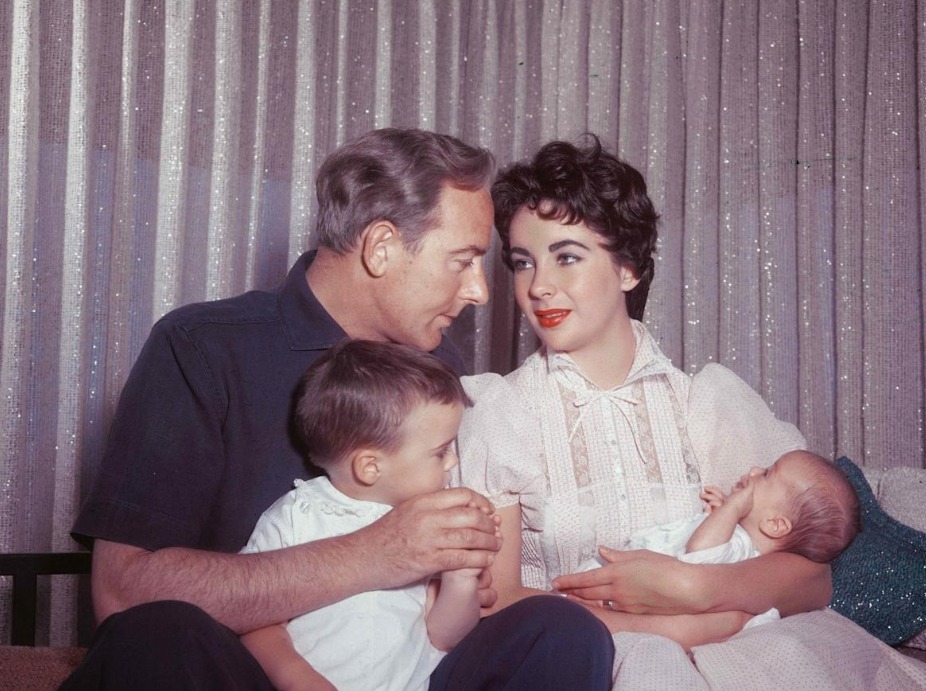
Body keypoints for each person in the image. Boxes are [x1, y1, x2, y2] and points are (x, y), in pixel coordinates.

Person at [61, 128, 614, 690]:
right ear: (380, 248)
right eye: (463, 261)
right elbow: (122, 592)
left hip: (402, 672)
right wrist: (376, 553)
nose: (481, 292)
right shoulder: (203, 346)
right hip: (247, 674)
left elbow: (447, 604)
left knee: (561, 630)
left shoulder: (438, 365)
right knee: (155, 635)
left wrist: (458, 577)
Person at [456, 135, 925, 687]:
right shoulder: (501, 411)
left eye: (567, 257)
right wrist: (683, 630)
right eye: (522, 263)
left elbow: (811, 577)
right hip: (581, 663)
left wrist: (694, 589)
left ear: (627, 269)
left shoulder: (705, 401)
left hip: (735, 655)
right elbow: (499, 603)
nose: (539, 287)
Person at [241, 339, 495, 690]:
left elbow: (443, 637)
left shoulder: (427, 529)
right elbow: (255, 620)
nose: (452, 462)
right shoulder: (297, 517)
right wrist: (295, 676)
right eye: (440, 453)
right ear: (370, 467)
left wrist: (461, 577)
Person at [581, 449, 861, 631]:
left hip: (628, 588)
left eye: (766, 474)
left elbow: (700, 556)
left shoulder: (742, 546)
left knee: (577, 594)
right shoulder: (741, 544)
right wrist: (725, 513)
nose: (753, 470)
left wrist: (732, 509)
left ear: (775, 525)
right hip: (630, 584)